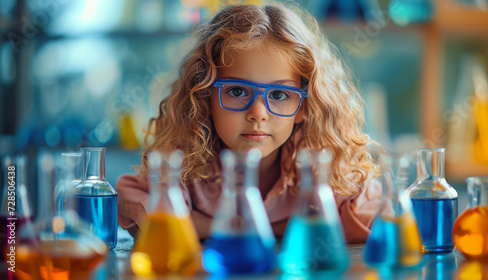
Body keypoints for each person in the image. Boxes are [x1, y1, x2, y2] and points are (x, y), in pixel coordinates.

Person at [117, 3, 384, 243]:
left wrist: (210, 226)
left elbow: (371, 216)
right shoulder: (189, 164)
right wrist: (245, 224)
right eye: (236, 91)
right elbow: (142, 212)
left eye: (279, 95)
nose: (258, 113)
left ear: (303, 107)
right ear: (204, 97)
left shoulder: (318, 164)